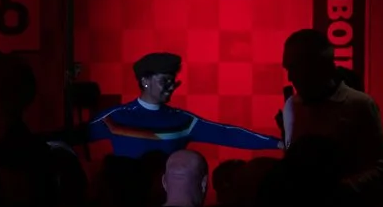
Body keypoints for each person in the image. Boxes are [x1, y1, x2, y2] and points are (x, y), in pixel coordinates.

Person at [84, 51, 281, 159]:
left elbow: (226, 134)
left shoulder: (182, 121)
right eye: (165, 81)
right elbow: (72, 136)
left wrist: (279, 143)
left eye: (173, 82)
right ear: (145, 81)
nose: (171, 87)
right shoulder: (115, 117)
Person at [278, 29, 383, 190]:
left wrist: (339, 190)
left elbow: (381, 168)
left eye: (294, 68)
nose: (290, 77)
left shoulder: (360, 104)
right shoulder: (292, 106)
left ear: (319, 65)